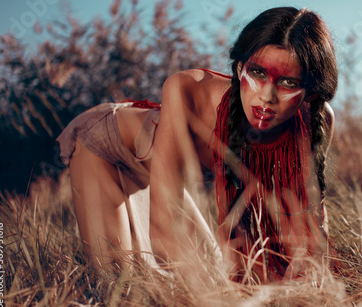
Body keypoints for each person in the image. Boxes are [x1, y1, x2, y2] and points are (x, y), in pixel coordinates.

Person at [57, 6, 337, 283]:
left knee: (215, 269)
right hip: (103, 145)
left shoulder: (316, 122)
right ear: (241, 67)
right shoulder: (187, 90)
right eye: (258, 73)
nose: (266, 96)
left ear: (311, 94)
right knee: (121, 285)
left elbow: (310, 217)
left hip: (153, 166)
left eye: (288, 82)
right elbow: (164, 234)